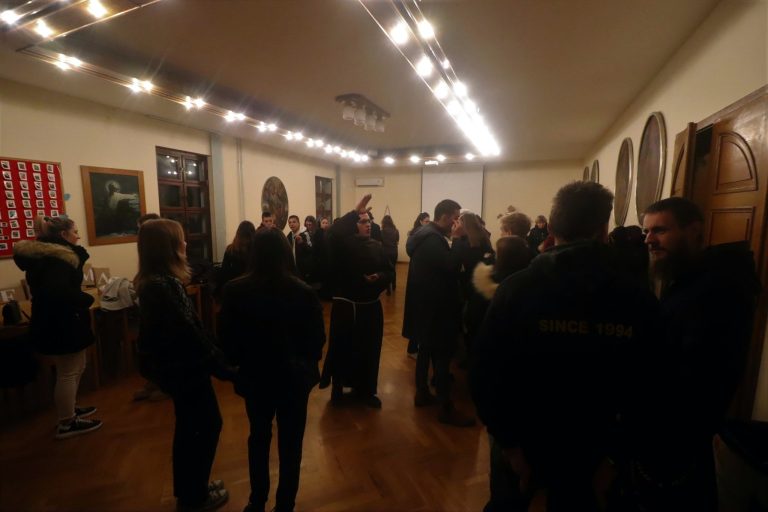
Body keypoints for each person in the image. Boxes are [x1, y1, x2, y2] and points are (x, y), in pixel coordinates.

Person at [471, 182, 662, 511]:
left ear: (552, 228)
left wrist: (510, 446)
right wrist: (616, 457)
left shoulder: (516, 289)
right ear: (603, 229)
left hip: (522, 434)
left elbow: (485, 372)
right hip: (595, 442)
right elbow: (650, 384)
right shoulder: (637, 296)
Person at [637, 197, 760, 511]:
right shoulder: (688, 277)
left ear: (693, 231)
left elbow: (696, 372)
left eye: (659, 230)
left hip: (681, 434)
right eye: (646, 231)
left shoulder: (719, 288)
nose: (649, 239)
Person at [218, 228, 325, 512]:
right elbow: (316, 341)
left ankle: (257, 500)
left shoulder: (235, 290)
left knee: (258, 437)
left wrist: (240, 364)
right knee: (291, 444)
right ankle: (285, 504)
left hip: (256, 376)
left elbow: (227, 342)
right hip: (294, 378)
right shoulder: (303, 291)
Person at [135, 219, 233, 512]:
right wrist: (225, 369)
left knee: (191, 428)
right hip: (185, 370)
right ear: (168, 247)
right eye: (181, 239)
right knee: (204, 427)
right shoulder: (164, 286)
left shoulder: (157, 282)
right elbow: (190, 334)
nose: (186, 244)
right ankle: (194, 497)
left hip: (177, 369)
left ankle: (193, 488)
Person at [13, 215, 102, 439]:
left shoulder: (48, 256)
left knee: (76, 366)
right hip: (63, 321)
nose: (78, 236)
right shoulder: (58, 259)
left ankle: (69, 408)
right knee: (68, 371)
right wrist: (85, 299)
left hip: (59, 319)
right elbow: (58, 292)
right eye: (75, 232)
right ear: (63, 235)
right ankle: (67, 422)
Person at [470, 235, 533, 512]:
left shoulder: (489, 283)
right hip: (529, 390)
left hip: (503, 397)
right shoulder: (532, 288)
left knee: (504, 474)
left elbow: (474, 325)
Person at [403, 198, 475, 427]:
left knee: (426, 350)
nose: (457, 223)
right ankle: (446, 408)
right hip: (437, 309)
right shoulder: (432, 239)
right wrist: (458, 239)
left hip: (427, 305)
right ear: (444, 217)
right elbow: (450, 266)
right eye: (455, 218)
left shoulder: (425, 235)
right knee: (442, 357)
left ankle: (422, 393)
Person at [320, 195, 392, 408]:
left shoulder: (377, 246)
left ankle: (366, 390)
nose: (367, 225)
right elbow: (332, 232)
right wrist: (354, 212)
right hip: (347, 307)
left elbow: (389, 272)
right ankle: (338, 387)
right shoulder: (341, 246)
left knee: (368, 351)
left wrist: (379, 277)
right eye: (362, 221)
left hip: (370, 307)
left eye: (369, 221)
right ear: (353, 225)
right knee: (342, 349)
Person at [216, 220, 257, 297]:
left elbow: (224, 272)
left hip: (234, 289)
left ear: (238, 233)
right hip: (252, 289)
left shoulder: (230, 249)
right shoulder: (255, 250)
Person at [286, 215, 313, 282]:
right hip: (294, 269)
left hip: (304, 270)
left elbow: (311, 250)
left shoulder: (305, 234)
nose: (291, 224)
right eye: (290, 222)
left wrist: (302, 243)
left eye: (294, 222)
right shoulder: (289, 235)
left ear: (299, 223)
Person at [380, 214, 400, 295]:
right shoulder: (396, 231)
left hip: (385, 252)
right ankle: (394, 286)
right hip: (394, 252)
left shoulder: (382, 232)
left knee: (386, 270)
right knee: (393, 268)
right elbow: (397, 242)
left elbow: (380, 243)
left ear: (383, 222)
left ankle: (388, 290)